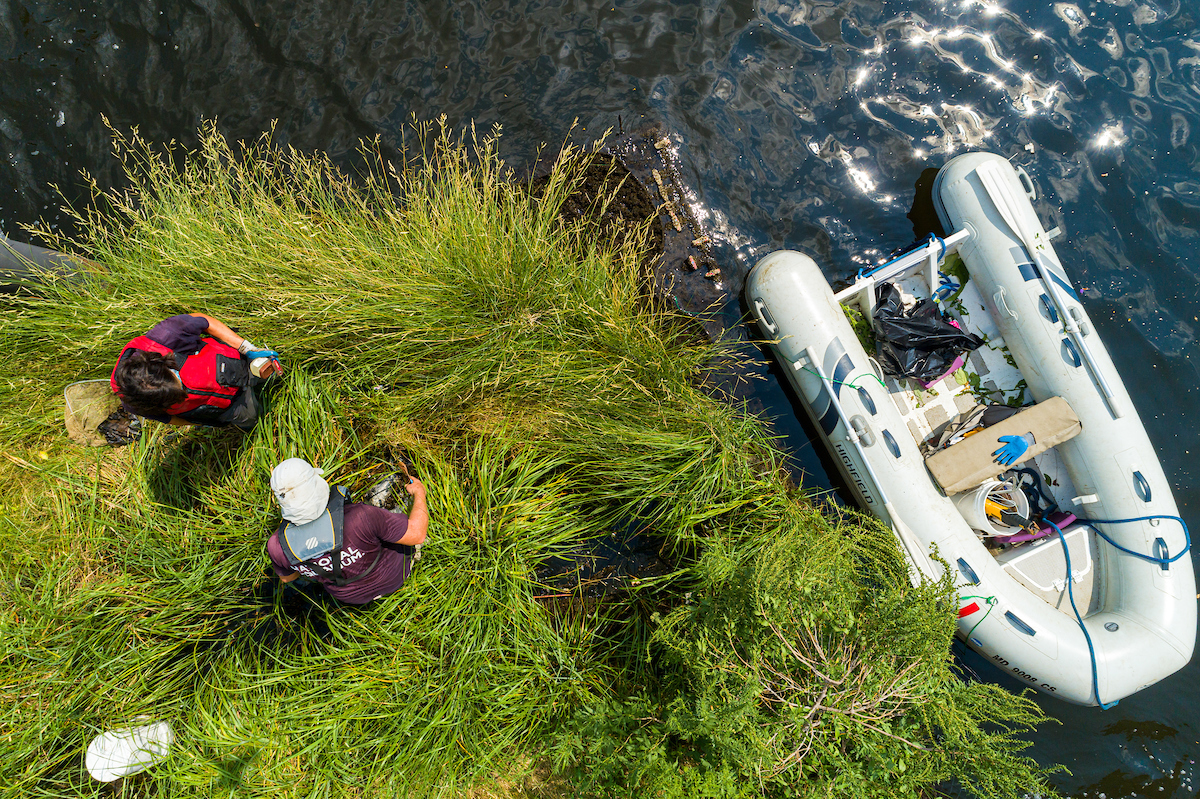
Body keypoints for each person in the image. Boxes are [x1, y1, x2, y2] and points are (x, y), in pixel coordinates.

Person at [266, 458, 428, 605]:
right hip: (394, 576)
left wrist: (320, 562)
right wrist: (420, 493)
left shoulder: (277, 547)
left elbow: (288, 578)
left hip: (354, 598)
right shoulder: (360, 517)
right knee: (401, 524)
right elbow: (417, 534)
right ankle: (416, 556)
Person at [110, 313, 282, 431]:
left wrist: (247, 349)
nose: (184, 387)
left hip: (235, 364)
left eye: (177, 377)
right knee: (255, 420)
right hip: (223, 407)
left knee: (274, 374)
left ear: (162, 363)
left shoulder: (166, 336)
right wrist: (203, 422)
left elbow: (205, 321)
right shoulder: (136, 401)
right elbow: (172, 419)